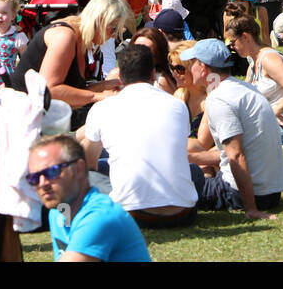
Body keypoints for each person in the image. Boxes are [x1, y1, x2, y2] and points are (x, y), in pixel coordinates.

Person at [78, 43, 198, 227]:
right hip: (182, 212)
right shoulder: (177, 105)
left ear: (119, 76)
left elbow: (90, 163)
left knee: (90, 170)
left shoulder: (103, 108)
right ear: (152, 74)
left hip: (133, 214)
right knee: (194, 171)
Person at [184, 39, 283, 220]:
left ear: (202, 67)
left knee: (177, 174)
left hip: (238, 194)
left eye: (191, 63)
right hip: (271, 193)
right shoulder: (246, 89)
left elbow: (236, 155)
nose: (188, 68)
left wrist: (251, 209)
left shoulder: (219, 99)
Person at [8, 0, 131, 129]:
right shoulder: (64, 36)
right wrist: (98, 97)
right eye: (113, 29)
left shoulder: (80, 39)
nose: (113, 36)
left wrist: (103, 86)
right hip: (19, 120)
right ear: (99, 20)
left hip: (38, 117)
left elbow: (72, 90)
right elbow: (49, 90)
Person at [26, 134, 151, 262]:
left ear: (79, 169)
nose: (42, 184)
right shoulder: (57, 213)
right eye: (34, 178)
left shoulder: (100, 217)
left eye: (52, 172)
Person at [226, 14, 283, 145]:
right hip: (271, 120)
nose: (232, 47)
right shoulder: (253, 63)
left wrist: (274, 113)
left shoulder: (269, 59)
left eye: (233, 42)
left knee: (237, 141)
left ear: (245, 37)